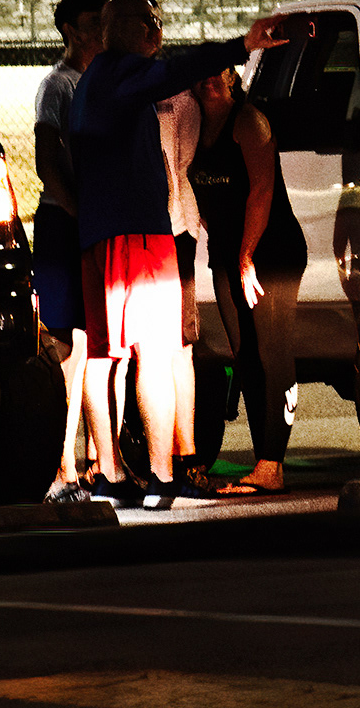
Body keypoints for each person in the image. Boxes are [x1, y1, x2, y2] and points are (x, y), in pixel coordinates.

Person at [69, 0, 289, 508]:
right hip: (141, 238)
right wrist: (242, 44)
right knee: (158, 353)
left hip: (97, 241)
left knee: (104, 359)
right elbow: (173, 73)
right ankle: (164, 476)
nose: (158, 32)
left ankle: (109, 475)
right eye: (150, 23)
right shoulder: (125, 76)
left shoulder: (88, 86)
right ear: (119, 28)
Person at [188, 60, 309, 495]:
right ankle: (262, 462)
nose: (206, 79)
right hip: (228, 252)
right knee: (245, 353)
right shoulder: (193, 124)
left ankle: (273, 463)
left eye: (216, 72)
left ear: (233, 79)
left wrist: (246, 256)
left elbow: (262, 190)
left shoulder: (249, 122)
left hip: (269, 250)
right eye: (200, 73)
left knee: (271, 349)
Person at [32, 0, 108, 500]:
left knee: (94, 345)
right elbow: (45, 158)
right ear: (70, 32)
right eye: (92, 24)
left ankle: (100, 459)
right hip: (65, 224)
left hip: (94, 223)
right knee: (67, 347)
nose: (101, 33)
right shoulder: (58, 86)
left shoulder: (103, 82)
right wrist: (78, 210)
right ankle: (62, 466)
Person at [157, 76, 207, 494]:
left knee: (177, 346)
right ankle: (173, 457)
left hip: (172, 226)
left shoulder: (176, 100)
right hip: (165, 225)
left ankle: (184, 455)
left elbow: (181, 165)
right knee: (165, 350)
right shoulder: (174, 99)